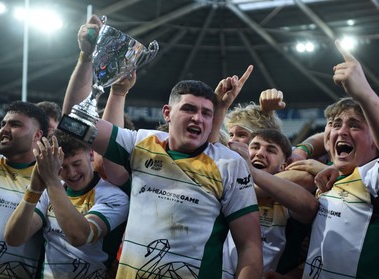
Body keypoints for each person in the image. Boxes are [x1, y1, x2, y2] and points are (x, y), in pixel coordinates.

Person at [61, 72, 263, 277]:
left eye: (206, 113)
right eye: (189, 109)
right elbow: (73, 123)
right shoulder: (142, 143)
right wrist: (85, 58)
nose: (197, 118)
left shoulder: (229, 164)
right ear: (167, 113)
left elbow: (250, 246)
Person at [4, 129, 129, 278]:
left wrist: (52, 181)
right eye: (62, 167)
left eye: (76, 164)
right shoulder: (51, 189)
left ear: (91, 154)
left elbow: (79, 237)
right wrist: (34, 190)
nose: (71, 173)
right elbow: (14, 238)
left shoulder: (115, 196)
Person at [302, 40, 379, 279]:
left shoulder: (373, 178)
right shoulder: (320, 176)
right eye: (335, 125)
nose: (342, 132)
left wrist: (366, 95)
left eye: (354, 125)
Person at [222, 129, 318, 278]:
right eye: (254, 147)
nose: (260, 153)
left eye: (271, 150)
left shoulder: (287, 203)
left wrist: (252, 172)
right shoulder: (228, 187)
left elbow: (310, 207)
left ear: (283, 166)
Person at [0, 100, 48, 278]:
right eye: (3, 124)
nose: (4, 129)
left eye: (15, 124)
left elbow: (19, 236)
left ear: (37, 135)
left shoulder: (48, 181)